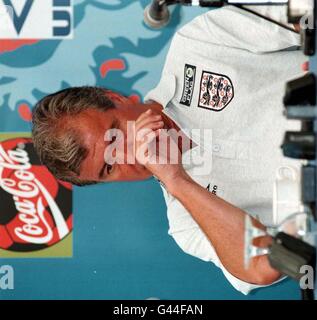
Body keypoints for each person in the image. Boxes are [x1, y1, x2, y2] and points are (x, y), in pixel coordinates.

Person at [32, 5, 306, 294]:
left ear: (117, 98)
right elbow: (260, 265)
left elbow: (303, 14)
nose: (128, 154)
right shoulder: (186, 225)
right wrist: (177, 180)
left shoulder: (199, 45)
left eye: (116, 135)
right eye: (109, 167)